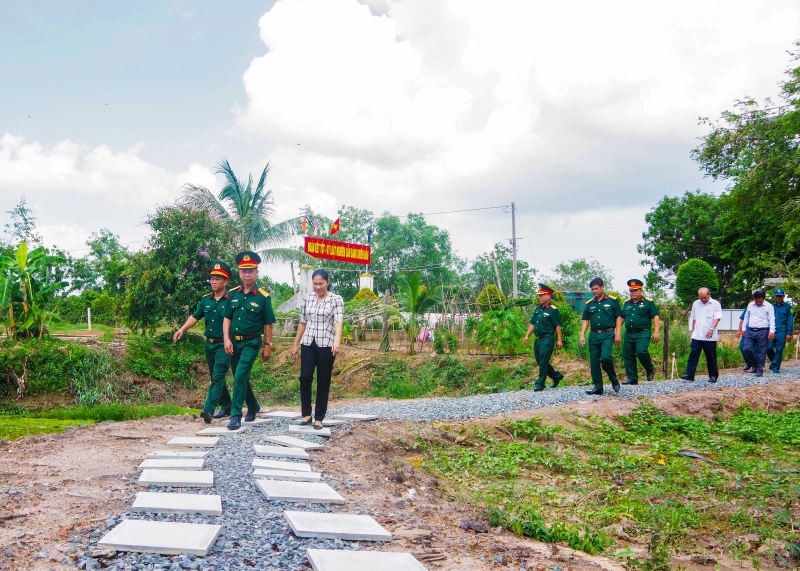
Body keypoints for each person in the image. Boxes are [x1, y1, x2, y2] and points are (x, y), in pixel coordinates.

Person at [173, 261, 233, 424]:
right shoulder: (206, 300)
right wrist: (182, 329)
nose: (213, 282)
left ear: (225, 281)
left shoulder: (231, 300)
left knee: (218, 376)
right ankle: (227, 405)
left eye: (217, 279)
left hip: (224, 344)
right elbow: (195, 316)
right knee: (216, 376)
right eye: (212, 278)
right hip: (210, 344)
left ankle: (208, 409)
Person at [223, 251, 275, 430]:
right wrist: (226, 340)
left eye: (251, 271)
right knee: (240, 376)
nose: (247, 274)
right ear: (239, 273)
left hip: (251, 343)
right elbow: (227, 318)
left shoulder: (262, 296)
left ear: (256, 273)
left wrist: (267, 346)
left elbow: (268, 323)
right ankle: (253, 406)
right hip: (233, 343)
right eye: (244, 271)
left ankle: (236, 415)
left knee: (239, 375)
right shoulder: (232, 294)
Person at [291, 269, 343, 429]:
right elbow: (302, 322)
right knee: (305, 377)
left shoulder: (336, 299)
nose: (318, 287)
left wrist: (337, 341)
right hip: (308, 342)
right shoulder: (307, 299)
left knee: (323, 380)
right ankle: (306, 414)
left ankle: (319, 417)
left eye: (321, 283)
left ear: (327, 282)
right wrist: (295, 344)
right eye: (315, 284)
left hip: (327, 344)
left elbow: (338, 321)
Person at [580, 277, 623, 395]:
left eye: (596, 289)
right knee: (594, 361)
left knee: (605, 358)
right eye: (592, 289)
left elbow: (618, 317)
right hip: (594, 335)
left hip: (608, 334)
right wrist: (582, 335)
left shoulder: (612, 301)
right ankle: (598, 387)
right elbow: (585, 320)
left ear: (602, 287)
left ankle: (613, 378)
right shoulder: (590, 304)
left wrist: (618, 333)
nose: (594, 291)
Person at [523, 284, 564, 392]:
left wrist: (559, 340)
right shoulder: (538, 309)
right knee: (540, 361)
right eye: (539, 295)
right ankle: (556, 376)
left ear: (549, 296)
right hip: (538, 339)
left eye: (542, 295)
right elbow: (532, 324)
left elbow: (557, 326)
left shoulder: (553, 310)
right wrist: (527, 335)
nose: (540, 297)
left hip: (547, 338)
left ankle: (540, 383)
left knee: (543, 361)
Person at [621, 279, 661, 385]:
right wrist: (616, 331)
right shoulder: (626, 303)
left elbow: (656, 317)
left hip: (643, 332)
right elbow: (621, 318)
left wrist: (656, 332)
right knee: (628, 355)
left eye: (635, 290)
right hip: (629, 333)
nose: (633, 293)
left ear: (641, 290)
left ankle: (649, 368)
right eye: (631, 291)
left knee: (641, 351)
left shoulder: (648, 302)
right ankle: (632, 378)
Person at [681, 287, 722, 383]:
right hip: (697, 335)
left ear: (709, 295)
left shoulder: (715, 304)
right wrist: (692, 330)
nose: (703, 300)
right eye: (701, 298)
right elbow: (694, 318)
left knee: (710, 356)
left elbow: (717, 318)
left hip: (709, 336)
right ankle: (690, 374)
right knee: (693, 354)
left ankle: (713, 375)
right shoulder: (696, 303)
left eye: (704, 298)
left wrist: (711, 329)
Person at [739, 289, 775, 377]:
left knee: (761, 351)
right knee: (746, 349)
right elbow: (746, 316)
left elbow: (772, 319)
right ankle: (754, 364)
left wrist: (771, 331)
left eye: (760, 301)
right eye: (756, 301)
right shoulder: (750, 305)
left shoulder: (769, 306)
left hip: (763, 330)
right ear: (753, 299)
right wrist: (743, 328)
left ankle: (759, 370)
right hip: (751, 330)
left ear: (763, 298)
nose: (758, 303)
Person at [767, 288, 794, 373]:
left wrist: (789, 333)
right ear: (774, 297)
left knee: (779, 349)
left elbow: (790, 321)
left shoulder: (788, 307)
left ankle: (775, 367)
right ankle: (774, 362)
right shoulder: (771, 307)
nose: (778, 298)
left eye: (780, 296)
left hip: (782, 331)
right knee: (768, 348)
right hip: (772, 331)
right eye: (777, 296)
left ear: (783, 296)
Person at [737, 306, 751, 371]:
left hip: (758, 331)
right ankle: (749, 362)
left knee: (757, 349)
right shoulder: (748, 307)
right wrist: (739, 330)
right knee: (742, 347)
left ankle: (756, 365)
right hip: (746, 331)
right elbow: (742, 320)